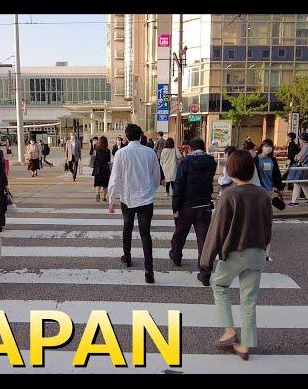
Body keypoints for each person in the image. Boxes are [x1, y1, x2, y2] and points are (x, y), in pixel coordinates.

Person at [200, 149, 272, 361]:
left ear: (230, 170)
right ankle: (245, 345)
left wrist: (206, 260)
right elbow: (268, 226)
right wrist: (264, 247)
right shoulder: (262, 194)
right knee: (249, 300)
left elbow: (217, 229)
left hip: (234, 253)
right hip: (257, 252)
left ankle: (230, 330)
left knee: (219, 285)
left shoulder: (229, 195)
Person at [108, 123, 161, 284]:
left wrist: (111, 200)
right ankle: (149, 269)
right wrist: (151, 190)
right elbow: (156, 176)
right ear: (140, 136)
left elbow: (115, 178)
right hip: (146, 199)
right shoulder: (150, 152)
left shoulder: (121, 153)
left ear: (126, 136)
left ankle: (128, 257)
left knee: (127, 228)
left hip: (127, 198)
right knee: (145, 234)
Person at [169, 138, 217, 286]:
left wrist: (175, 207)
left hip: (186, 205)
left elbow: (178, 185)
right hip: (204, 205)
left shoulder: (185, 162)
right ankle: (204, 272)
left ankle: (176, 256)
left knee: (180, 233)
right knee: (203, 240)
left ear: (190, 148)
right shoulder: (211, 162)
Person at [287, 132, 308, 207]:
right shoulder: (306, 146)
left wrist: (295, 157)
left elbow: (300, 157)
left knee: (297, 183)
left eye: (299, 138)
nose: (299, 139)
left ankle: (294, 202)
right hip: (306, 167)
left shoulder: (305, 147)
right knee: (303, 183)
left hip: (303, 167)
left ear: (302, 139)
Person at [92, 136, 111, 202]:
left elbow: (93, 158)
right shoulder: (108, 151)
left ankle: (97, 193)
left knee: (98, 183)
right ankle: (105, 197)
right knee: (105, 185)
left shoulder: (96, 149)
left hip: (98, 169)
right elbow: (108, 160)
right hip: (105, 169)